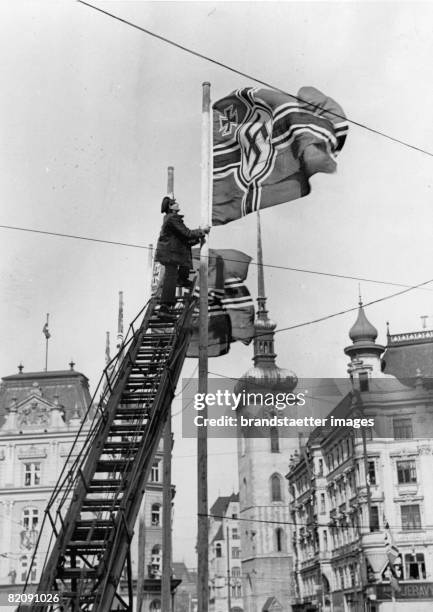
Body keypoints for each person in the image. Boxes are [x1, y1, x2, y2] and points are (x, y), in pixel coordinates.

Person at [155, 196, 209, 318]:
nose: (177, 204)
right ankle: (165, 307)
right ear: (170, 206)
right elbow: (187, 233)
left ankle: (182, 280)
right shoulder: (173, 218)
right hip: (170, 254)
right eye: (174, 203)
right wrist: (202, 231)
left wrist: (196, 237)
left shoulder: (170, 218)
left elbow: (184, 238)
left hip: (171, 252)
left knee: (176, 270)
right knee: (170, 277)